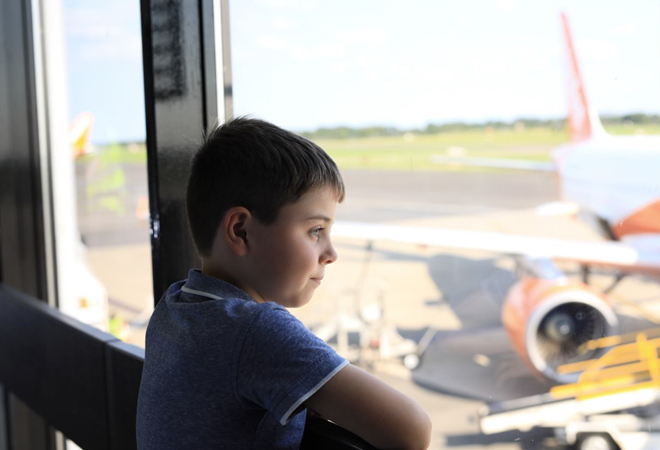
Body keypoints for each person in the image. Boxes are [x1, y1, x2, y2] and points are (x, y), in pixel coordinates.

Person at [136, 117, 432, 450]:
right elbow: (413, 430)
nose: (331, 253)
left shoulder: (172, 308)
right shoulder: (256, 331)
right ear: (241, 231)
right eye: (316, 231)